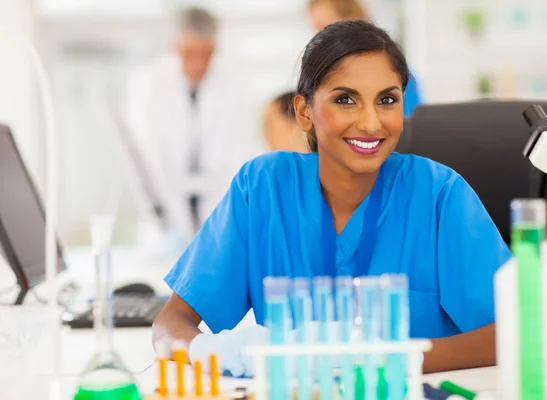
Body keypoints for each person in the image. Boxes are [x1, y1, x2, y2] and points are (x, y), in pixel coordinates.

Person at [153, 21, 511, 375]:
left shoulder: (438, 194)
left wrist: (396, 358)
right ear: (304, 111)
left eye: (387, 100)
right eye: (345, 100)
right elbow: (170, 325)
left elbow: (515, 332)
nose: (371, 123)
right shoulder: (263, 189)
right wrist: (219, 353)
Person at [122, 7, 263, 241]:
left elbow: (242, 155)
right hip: (164, 221)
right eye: (189, 53)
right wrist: (164, 216)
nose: (198, 64)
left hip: (220, 214)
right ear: (174, 46)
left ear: (215, 47)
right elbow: (145, 158)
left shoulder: (237, 87)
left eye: (206, 54)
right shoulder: (147, 85)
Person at [307, 0, 423, 116]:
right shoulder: (324, 75)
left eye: (326, 28)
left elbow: (408, 125)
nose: (320, 40)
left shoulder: (392, 70)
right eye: (317, 30)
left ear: (353, 21)